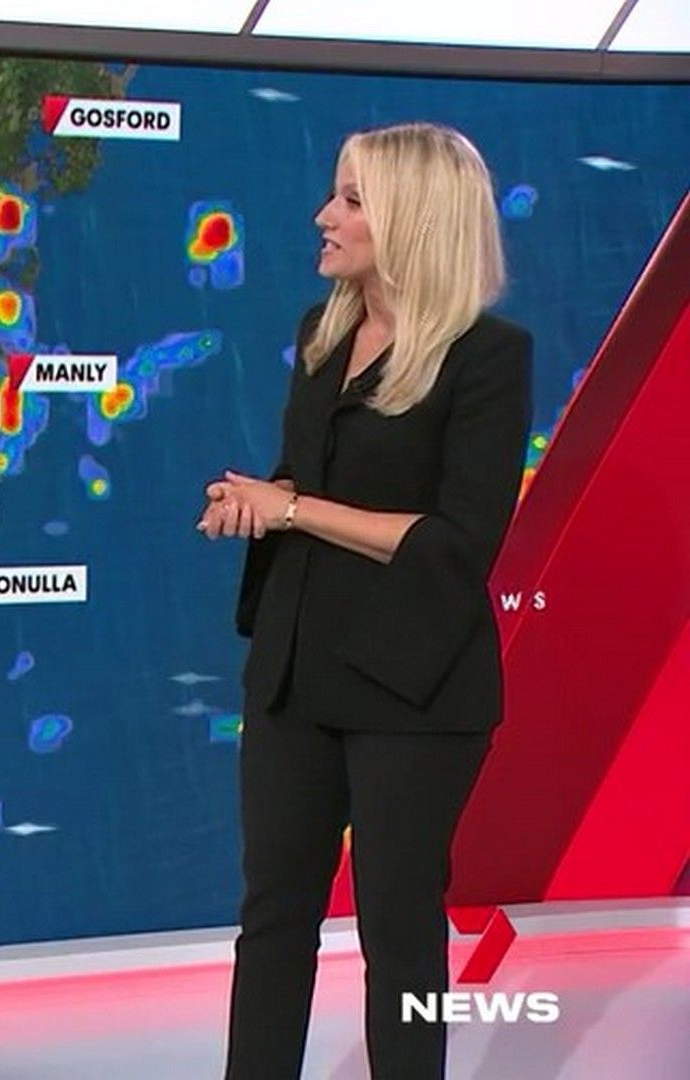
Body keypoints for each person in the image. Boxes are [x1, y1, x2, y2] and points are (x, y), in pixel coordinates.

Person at [198, 122, 533, 1079]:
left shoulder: (486, 356)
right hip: (296, 670)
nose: (325, 216)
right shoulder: (324, 333)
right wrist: (257, 502)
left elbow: (458, 542)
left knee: (400, 936)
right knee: (273, 920)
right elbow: (307, 480)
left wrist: (294, 508)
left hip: (411, 680)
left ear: (412, 219)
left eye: (351, 200)